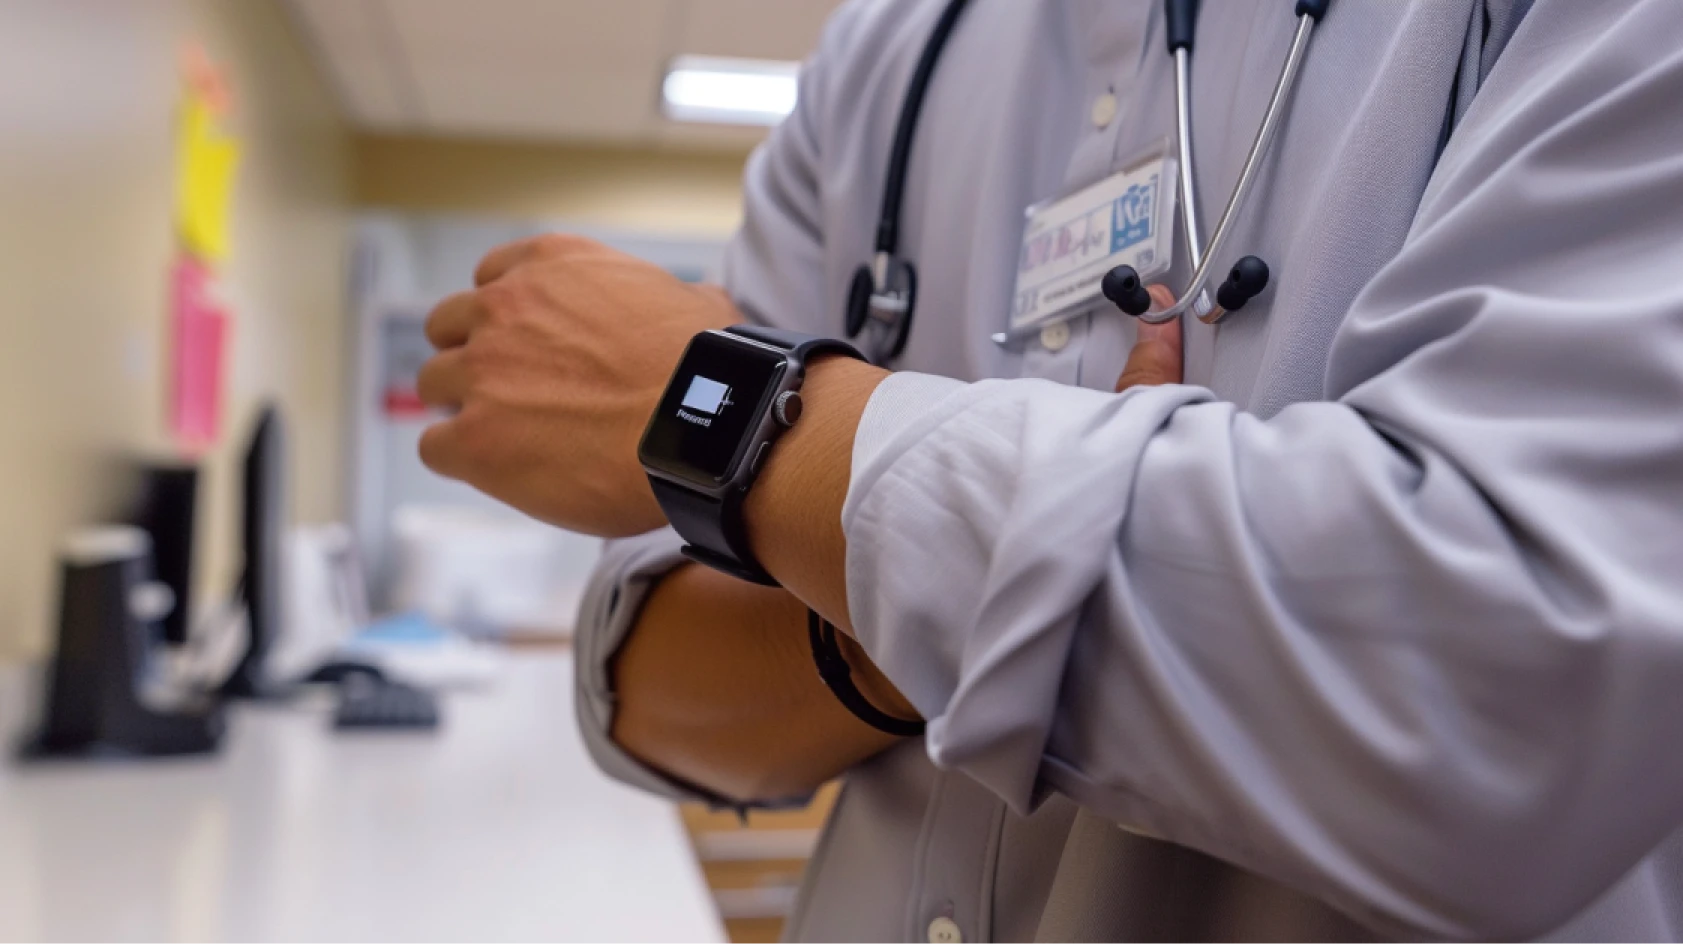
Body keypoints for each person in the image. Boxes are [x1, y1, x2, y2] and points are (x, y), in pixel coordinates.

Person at [413, 0, 1683, 940]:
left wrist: (754, 428)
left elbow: (1500, 688)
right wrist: (960, 564)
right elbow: (641, 683)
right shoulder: (885, 55)